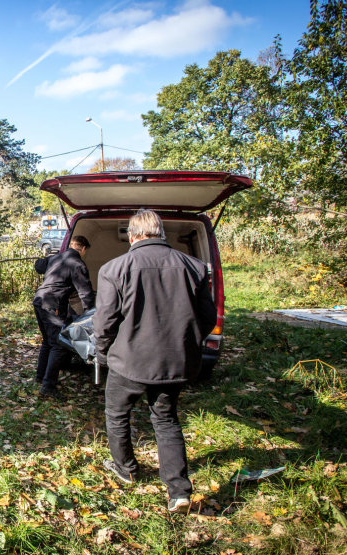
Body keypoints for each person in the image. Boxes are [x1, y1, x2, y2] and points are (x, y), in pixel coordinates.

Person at [93, 209, 217, 514]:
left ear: (132, 236)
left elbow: (104, 321)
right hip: (174, 362)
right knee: (166, 419)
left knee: (117, 414)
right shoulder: (196, 267)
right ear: (161, 233)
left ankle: (125, 468)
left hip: (129, 361)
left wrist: (104, 352)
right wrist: (187, 345)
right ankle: (178, 490)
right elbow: (208, 317)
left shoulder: (115, 268)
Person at [32, 235, 96, 400]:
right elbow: (85, 292)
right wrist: (91, 314)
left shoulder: (57, 258)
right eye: (85, 251)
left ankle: (40, 376)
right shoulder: (77, 264)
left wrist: (47, 259)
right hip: (53, 303)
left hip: (39, 300)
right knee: (59, 345)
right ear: (83, 248)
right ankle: (48, 386)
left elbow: (39, 265)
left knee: (48, 341)